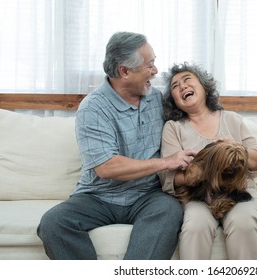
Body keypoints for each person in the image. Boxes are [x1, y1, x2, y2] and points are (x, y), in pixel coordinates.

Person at [37, 32, 197, 260]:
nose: (155, 71)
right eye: (149, 65)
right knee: (53, 223)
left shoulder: (156, 99)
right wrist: (165, 162)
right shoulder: (93, 108)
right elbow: (106, 168)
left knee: (169, 210)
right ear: (124, 71)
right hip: (98, 197)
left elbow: (195, 110)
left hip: (148, 195)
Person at [158, 62, 257, 259]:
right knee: (195, 225)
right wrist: (200, 173)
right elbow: (168, 178)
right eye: (175, 86)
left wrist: (236, 149)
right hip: (198, 197)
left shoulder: (232, 119)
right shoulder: (173, 128)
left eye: (187, 80)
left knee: (244, 222)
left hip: (239, 192)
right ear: (173, 100)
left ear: (204, 86)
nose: (182, 86)